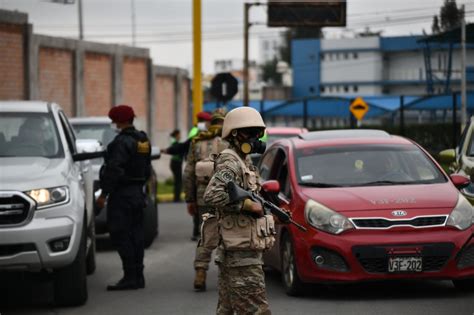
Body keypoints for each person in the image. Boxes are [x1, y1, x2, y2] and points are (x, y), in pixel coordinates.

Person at [203, 107, 273, 315]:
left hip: (238, 247)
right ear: (235, 133)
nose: (254, 138)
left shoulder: (244, 160)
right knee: (255, 310)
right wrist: (247, 206)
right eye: (249, 132)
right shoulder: (230, 161)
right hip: (241, 252)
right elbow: (212, 195)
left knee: (228, 309)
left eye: (257, 133)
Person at [96, 104, 151, 291]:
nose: (113, 123)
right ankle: (138, 276)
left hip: (122, 194)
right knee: (136, 234)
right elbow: (146, 169)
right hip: (137, 192)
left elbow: (114, 170)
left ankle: (130, 277)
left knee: (120, 234)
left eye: (114, 120)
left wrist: (104, 194)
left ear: (120, 120)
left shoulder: (121, 142)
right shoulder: (142, 139)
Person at [184, 109, 228, 291]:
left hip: (204, 195)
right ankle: (225, 275)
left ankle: (200, 273)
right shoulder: (232, 142)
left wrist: (190, 199)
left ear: (211, 123)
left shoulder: (198, 143)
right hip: (228, 196)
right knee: (228, 234)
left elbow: (188, 173)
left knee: (206, 233)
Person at [169, 129, 184, 202]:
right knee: (178, 181)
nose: (180, 136)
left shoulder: (175, 142)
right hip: (176, 163)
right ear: (176, 135)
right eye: (179, 134)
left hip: (176, 163)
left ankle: (177, 197)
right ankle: (176, 198)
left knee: (177, 181)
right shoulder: (175, 143)